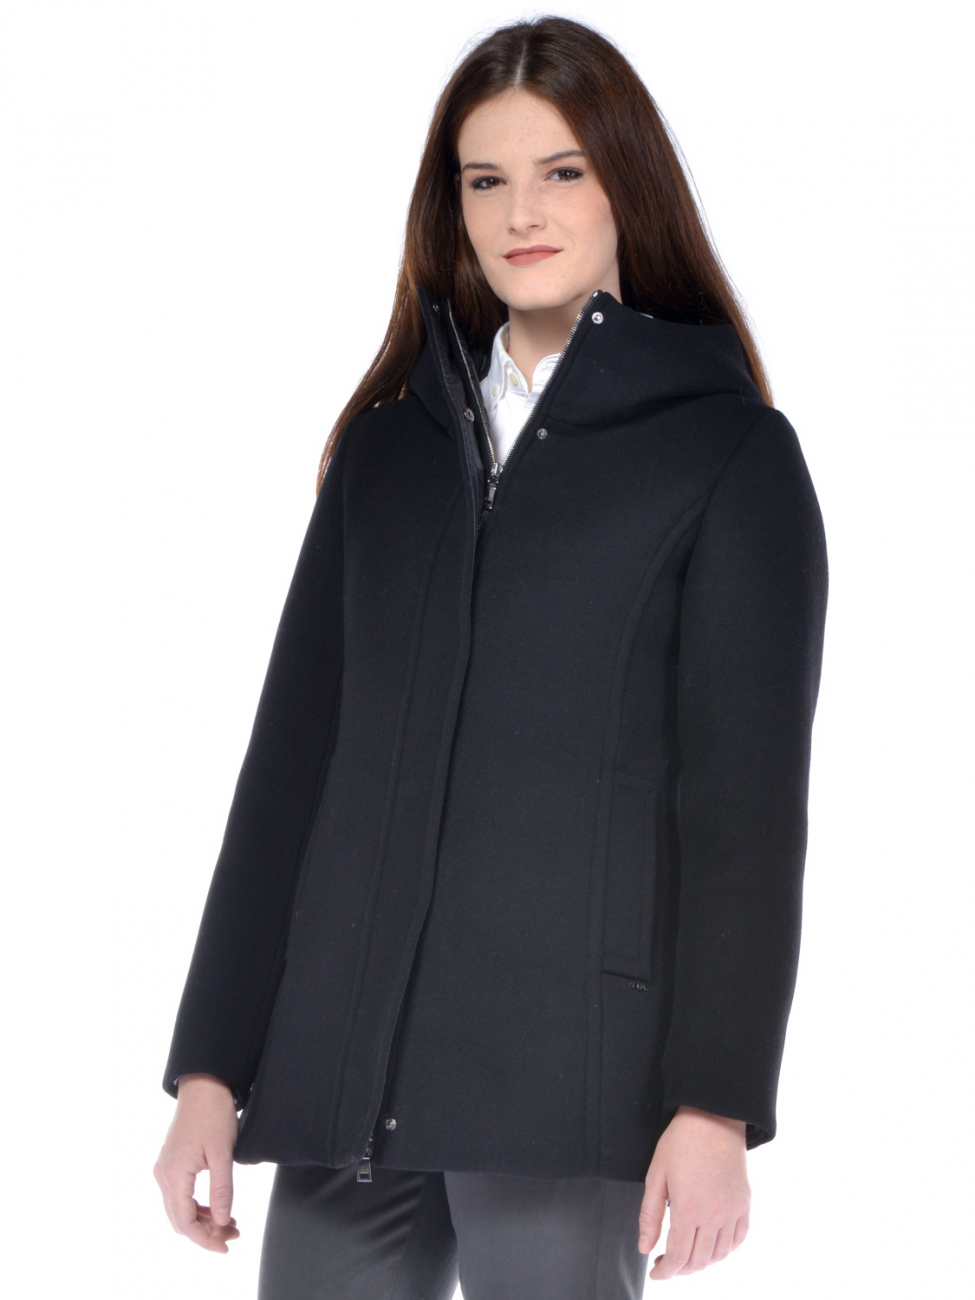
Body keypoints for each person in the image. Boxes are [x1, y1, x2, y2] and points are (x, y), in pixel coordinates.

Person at [154, 16, 828, 1297]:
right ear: (451, 205)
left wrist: (717, 1102)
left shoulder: (727, 456)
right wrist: (210, 1067)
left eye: (562, 170)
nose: (522, 211)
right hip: (345, 1074)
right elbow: (289, 777)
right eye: (486, 178)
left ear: (628, 183)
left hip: (567, 1075)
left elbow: (743, 817)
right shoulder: (386, 451)